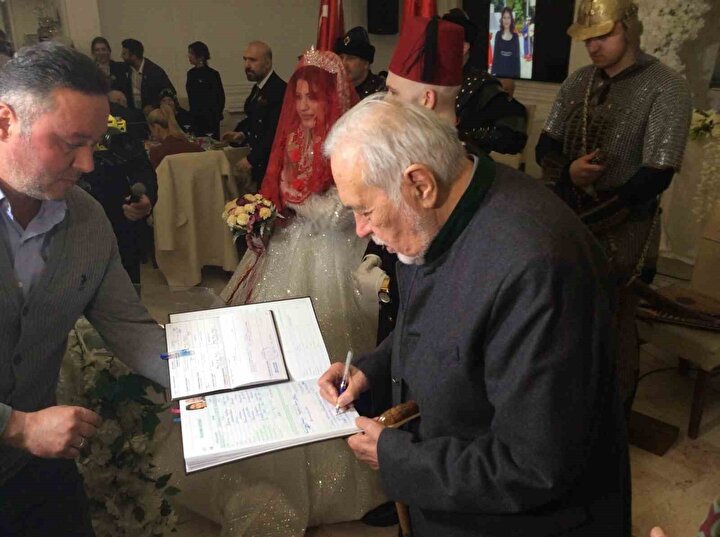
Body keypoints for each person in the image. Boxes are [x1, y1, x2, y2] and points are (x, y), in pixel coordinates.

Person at [319, 93, 630, 537]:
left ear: (420, 184)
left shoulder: (537, 268)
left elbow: (533, 466)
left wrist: (395, 457)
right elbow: (438, 324)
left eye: (365, 210)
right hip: (453, 496)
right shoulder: (440, 212)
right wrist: (371, 369)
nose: (361, 230)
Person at [157, 49, 385, 537]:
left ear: (332, 100)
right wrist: (265, 212)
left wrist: (297, 203)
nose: (302, 106)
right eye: (297, 97)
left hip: (331, 255)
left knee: (324, 346)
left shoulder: (349, 147)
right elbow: (279, 191)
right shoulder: (295, 139)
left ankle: (334, 468)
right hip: (289, 247)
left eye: (312, 98)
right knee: (263, 350)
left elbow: (342, 213)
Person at [0, 42, 169, 537]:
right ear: (5, 121)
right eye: (70, 143)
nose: (88, 164)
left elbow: (131, 328)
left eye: (94, 143)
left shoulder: (87, 218)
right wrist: (18, 426)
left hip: (34, 470)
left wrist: (207, 376)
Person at [535, 0, 692, 412]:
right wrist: (568, 173)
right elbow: (546, 144)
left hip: (626, 231)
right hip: (570, 221)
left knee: (615, 329)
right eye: (588, 39)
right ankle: (566, 411)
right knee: (564, 325)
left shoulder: (667, 87)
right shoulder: (579, 82)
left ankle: (614, 419)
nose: (594, 47)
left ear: (629, 28)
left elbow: (657, 173)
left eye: (603, 35)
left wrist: (600, 208)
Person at [442, 8, 528, 155]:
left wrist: (464, 134)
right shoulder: (432, 80)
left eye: (442, 42)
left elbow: (513, 138)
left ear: (463, 47)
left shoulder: (483, 86)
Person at [221, 41, 286, 190]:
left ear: (268, 63)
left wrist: (252, 159)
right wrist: (242, 134)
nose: (247, 65)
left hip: (271, 165)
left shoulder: (278, 90)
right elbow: (255, 120)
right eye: (245, 59)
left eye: (253, 60)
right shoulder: (259, 88)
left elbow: (274, 132)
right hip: (261, 165)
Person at [120, 38, 175, 114]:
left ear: (134, 56)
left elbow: (169, 92)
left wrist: (154, 106)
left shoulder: (155, 72)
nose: (121, 56)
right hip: (133, 114)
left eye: (124, 54)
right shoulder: (126, 70)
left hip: (152, 115)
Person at [185, 41, 225, 139]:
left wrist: (216, 115)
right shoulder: (191, 74)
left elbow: (220, 97)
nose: (189, 56)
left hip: (211, 118)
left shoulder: (213, 74)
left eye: (192, 53)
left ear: (201, 56)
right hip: (196, 118)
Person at [334, 26, 385, 99]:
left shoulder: (380, 92)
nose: (343, 64)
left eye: (350, 58)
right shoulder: (336, 88)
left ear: (366, 63)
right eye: (341, 57)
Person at [146, 105, 202, 170]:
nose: (152, 134)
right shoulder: (195, 148)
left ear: (157, 128)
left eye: (151, 130)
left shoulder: (156, 153)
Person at [491, 7, 521, 78]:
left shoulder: (515, 36)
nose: (506, 20)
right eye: (504, 18)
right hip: (499, 72)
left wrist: (518, 75)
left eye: (508, 18)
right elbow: (495, 54)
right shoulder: (498, 34)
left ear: (511, 20)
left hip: (511, 73)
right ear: (501, 19)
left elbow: (517, 58)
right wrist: (493, 72)